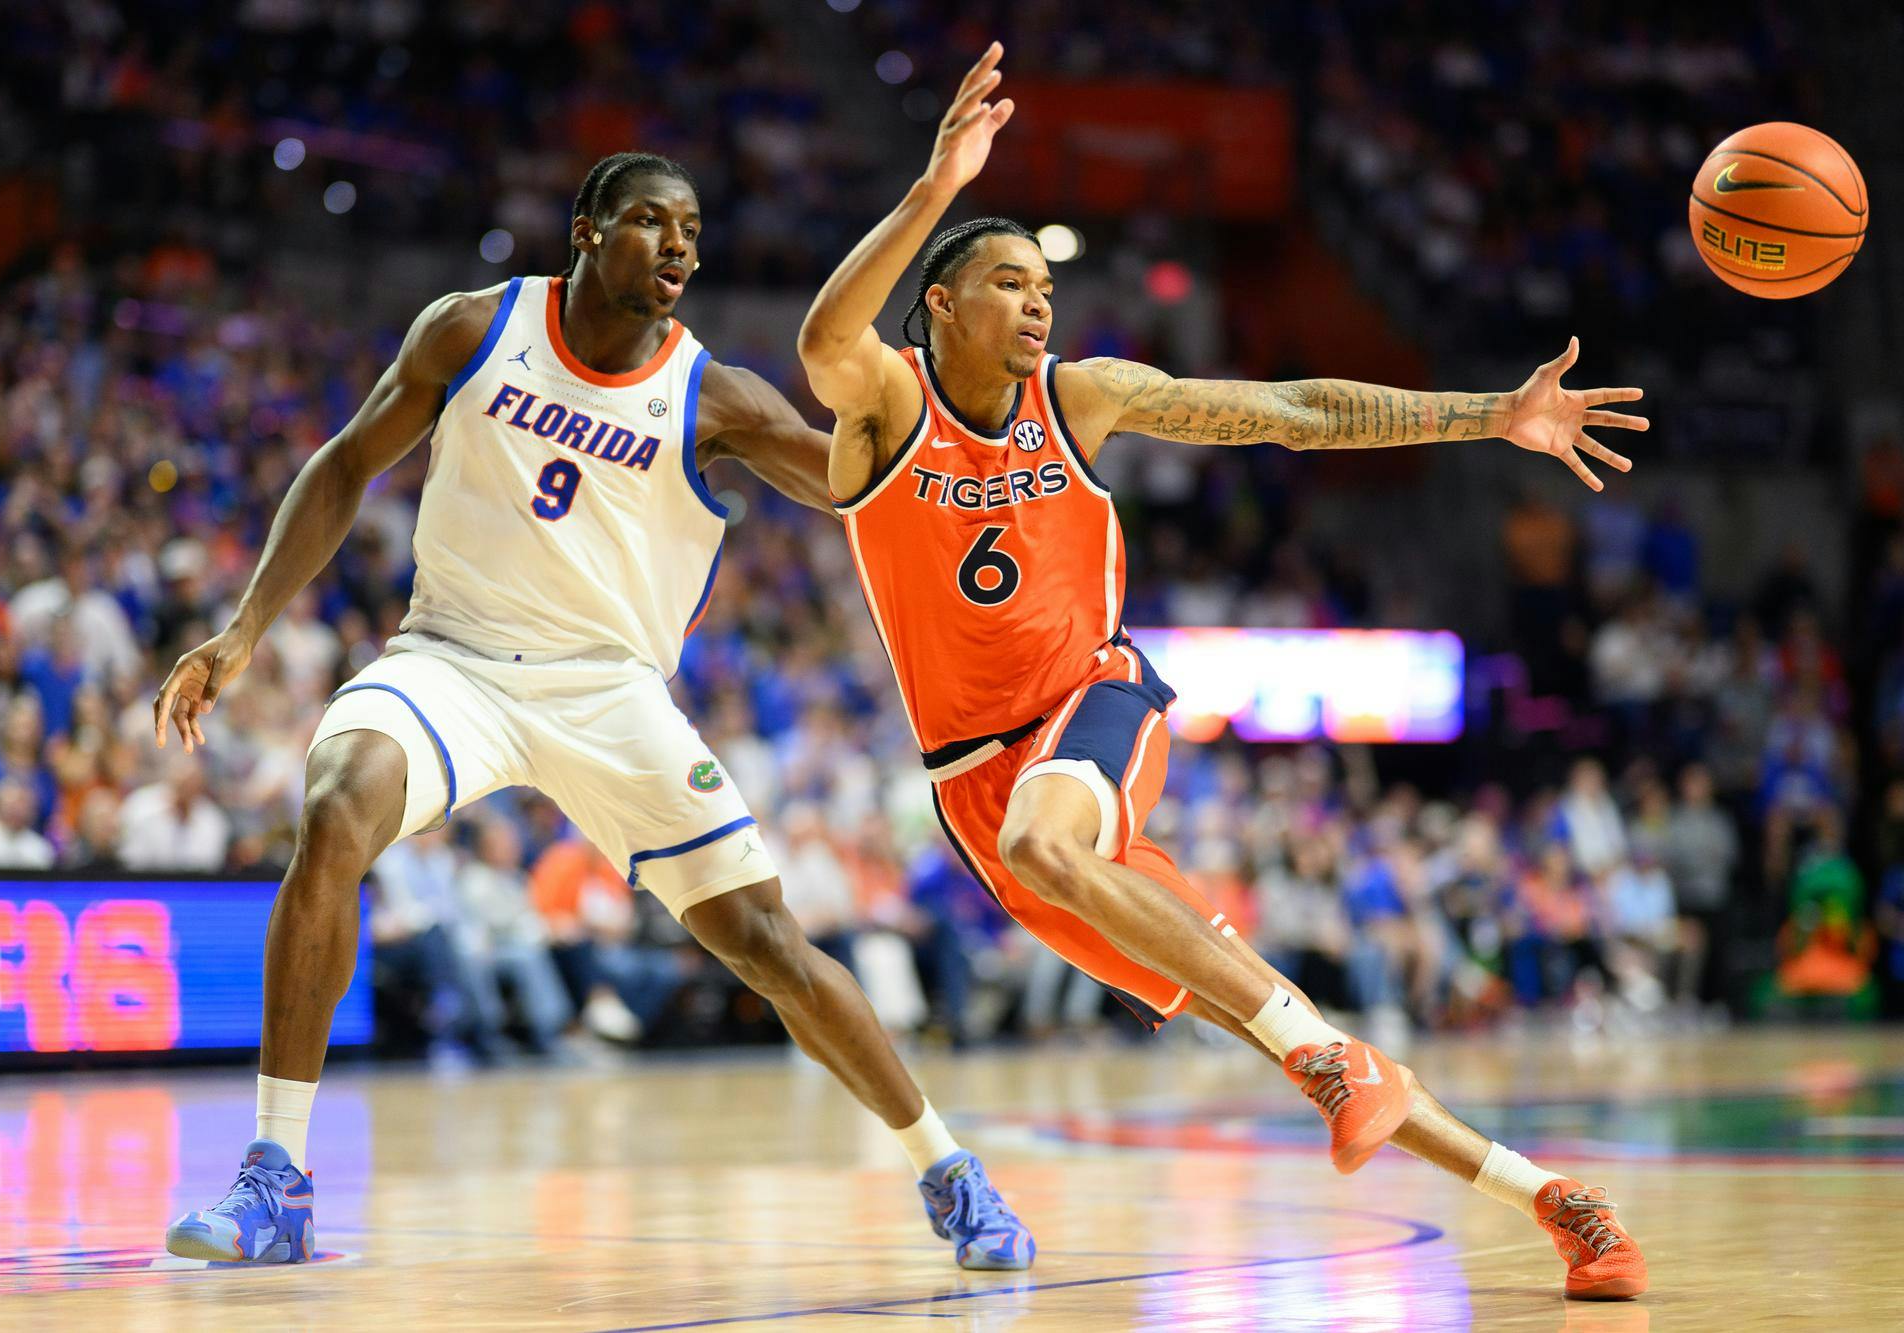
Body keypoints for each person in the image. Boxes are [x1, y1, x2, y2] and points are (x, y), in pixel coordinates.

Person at [796, 44, 1648, 1301]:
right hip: (970, 779)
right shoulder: (880, 406)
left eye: (1044, 284)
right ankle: (1559, 1204)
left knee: (1058, 852)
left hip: (1093, 703)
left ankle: (1326, 1066)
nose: (1038, 304)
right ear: (938, 303)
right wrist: (934, 188)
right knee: (1239, 998)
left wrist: (1489, 414)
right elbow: (824, 335)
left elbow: (1288, 409)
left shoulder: (1081, 399)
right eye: (1007, 283)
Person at [160, 152, 1030, 1270]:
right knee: (334, 807)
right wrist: (241, 630)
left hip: (609, 689)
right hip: (451, 659)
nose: (678, 247)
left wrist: (971, 465)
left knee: (766, 942)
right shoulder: (469, 328)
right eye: (650, 222)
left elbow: (864, 496)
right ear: (584, 228)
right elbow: (343, 466)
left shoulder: (716, 397)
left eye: (691, 230)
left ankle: (949, 1172)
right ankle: (275, 1177)